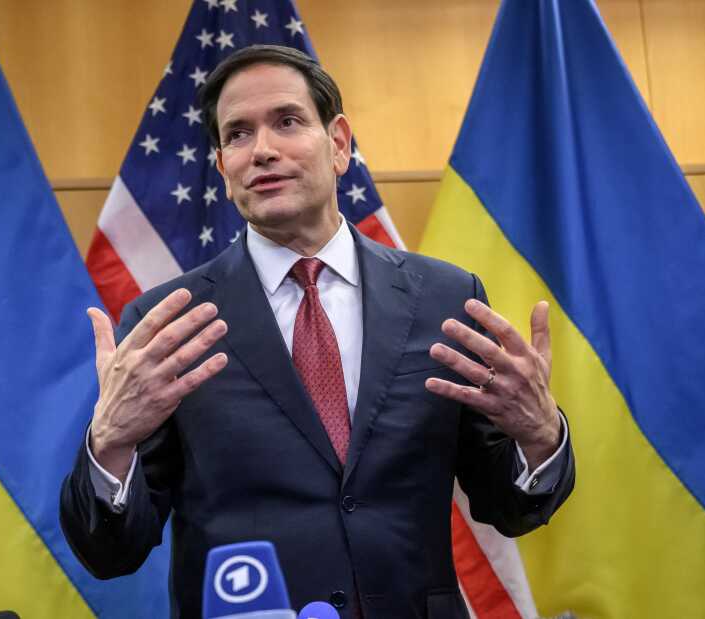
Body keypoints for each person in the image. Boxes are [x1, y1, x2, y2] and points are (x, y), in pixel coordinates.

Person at [59, 45, 574, 618]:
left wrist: (540, 436)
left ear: (339, 144)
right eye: (238, 134)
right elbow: (110, 553)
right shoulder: (170, 324)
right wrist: (109, 445)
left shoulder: (445, 300)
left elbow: (509, 508)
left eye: (287, 121)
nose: (263, 151)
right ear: (224, 170)